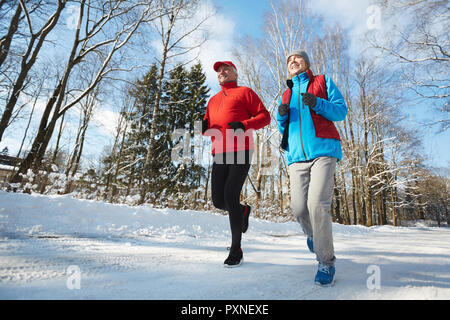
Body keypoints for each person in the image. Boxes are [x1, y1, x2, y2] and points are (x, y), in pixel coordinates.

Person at [276, 50, 347, 286]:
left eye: (297, 58)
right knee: (298, 208)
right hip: (296, 157)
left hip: (324, 151)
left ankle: (326, 262)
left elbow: (340, 111)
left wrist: (317, 103)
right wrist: (281, 116)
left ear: (306, 62)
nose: (292, 61)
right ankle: (312, 236)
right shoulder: (286, 93)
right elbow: (282, 127)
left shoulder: (322, 81)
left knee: (317, 204)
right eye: (289, 60)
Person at [202, 61, 270, 267]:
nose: (222, 72)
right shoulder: (212, 100)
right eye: (219, 71)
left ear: (234, 73)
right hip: (219, 152)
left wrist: (244, 124)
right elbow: (207, 127)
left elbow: (264, 117)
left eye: (226, 69)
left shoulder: (245, 92)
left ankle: (236, 249)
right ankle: (243, 211)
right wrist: (202, 127)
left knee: (231, 194)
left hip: (241, 148)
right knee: (218, 201)